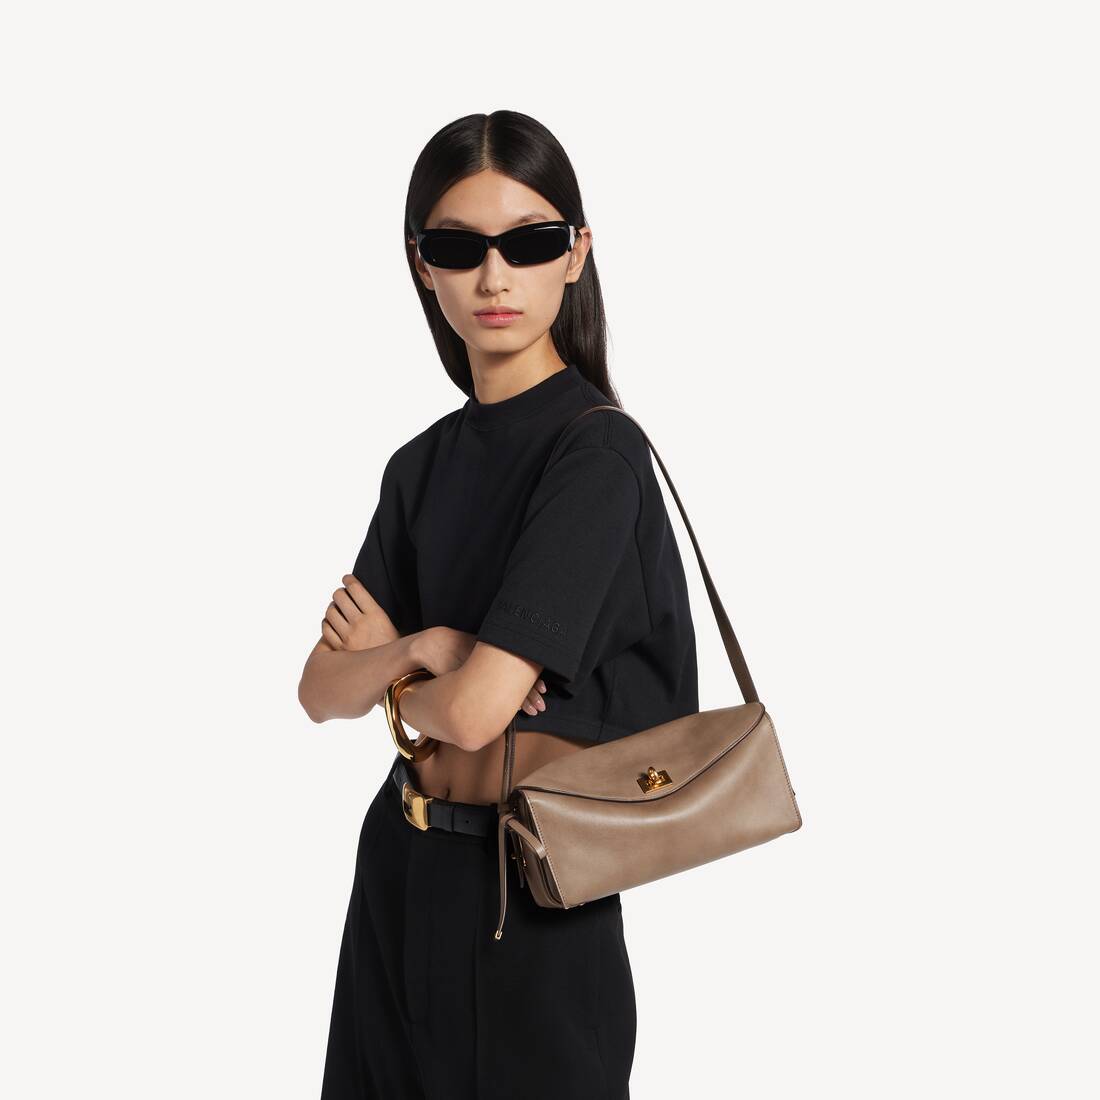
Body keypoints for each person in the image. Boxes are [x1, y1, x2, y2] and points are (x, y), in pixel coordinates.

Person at [299, 110, 698, 1100]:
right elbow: (316, 690)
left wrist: (396, 679)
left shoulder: (595, 455)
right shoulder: (419, 466)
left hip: (532, 901)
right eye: (457, 248)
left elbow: (477, 712)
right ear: (421, 266)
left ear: (575, 254)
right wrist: (427, 647)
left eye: (527, 243)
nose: (492, 277)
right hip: (397, 871)